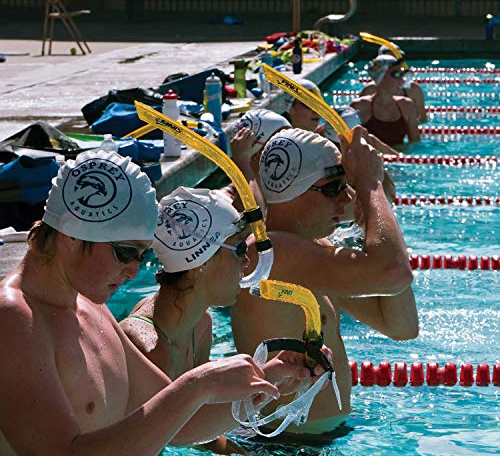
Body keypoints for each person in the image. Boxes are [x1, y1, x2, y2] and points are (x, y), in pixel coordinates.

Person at [0, 149, 314, 455]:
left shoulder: (91, 307)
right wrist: (195, 385)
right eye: (125, 252)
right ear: (71, 233)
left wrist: (265, 382)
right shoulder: (13, 320)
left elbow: (182, 426)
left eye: (142, 255)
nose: (135, 270)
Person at [231, 127, 418, 437]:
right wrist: (371, 186)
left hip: (312, 441)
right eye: (334, 188)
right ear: (294, 191)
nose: (346, 198)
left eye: (347, 186)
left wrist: (372, 218)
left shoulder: (312, 252)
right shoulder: (271, 254)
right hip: (285, 445)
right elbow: (394, 273)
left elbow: (401, 327)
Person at [120, 185, 331, 453]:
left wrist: (277, 373)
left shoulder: (200, 323)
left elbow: (199, 417)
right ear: (201, 264)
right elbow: (178, 432)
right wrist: (264, 381)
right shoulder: (146, 345)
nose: (247, 262)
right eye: (239, 250)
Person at [228, 109, 291, 212]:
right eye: (280, 144)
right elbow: (256, 220)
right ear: (257, 153)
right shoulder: (225, 199)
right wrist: (242, 160)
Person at [351, 55, 421, 146]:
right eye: (396, 74)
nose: (401, 80)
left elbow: (415, 146)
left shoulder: (407, 105)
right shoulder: (360, 107)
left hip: (399, 159)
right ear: (381, 77)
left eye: (402, 74)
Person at [360, 44, 428, 123]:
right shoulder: (369, 90)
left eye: (398, 58)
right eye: (390, 60)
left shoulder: (413, 89)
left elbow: (423, 119)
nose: (395, 62)